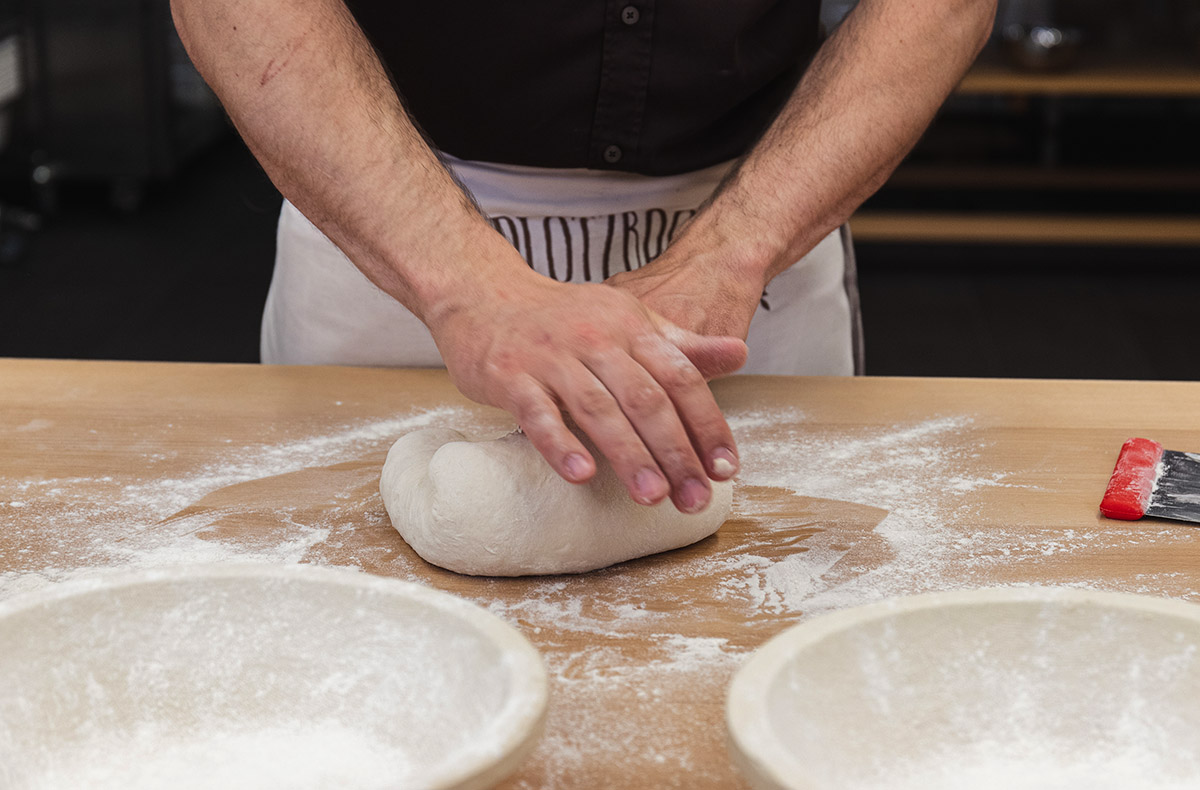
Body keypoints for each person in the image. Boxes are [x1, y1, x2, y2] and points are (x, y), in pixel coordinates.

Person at [171, 0, 996, 514]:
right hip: (388, 221)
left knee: (771, 634)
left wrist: (730, 257)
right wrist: (465, 287)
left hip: (758, 223)